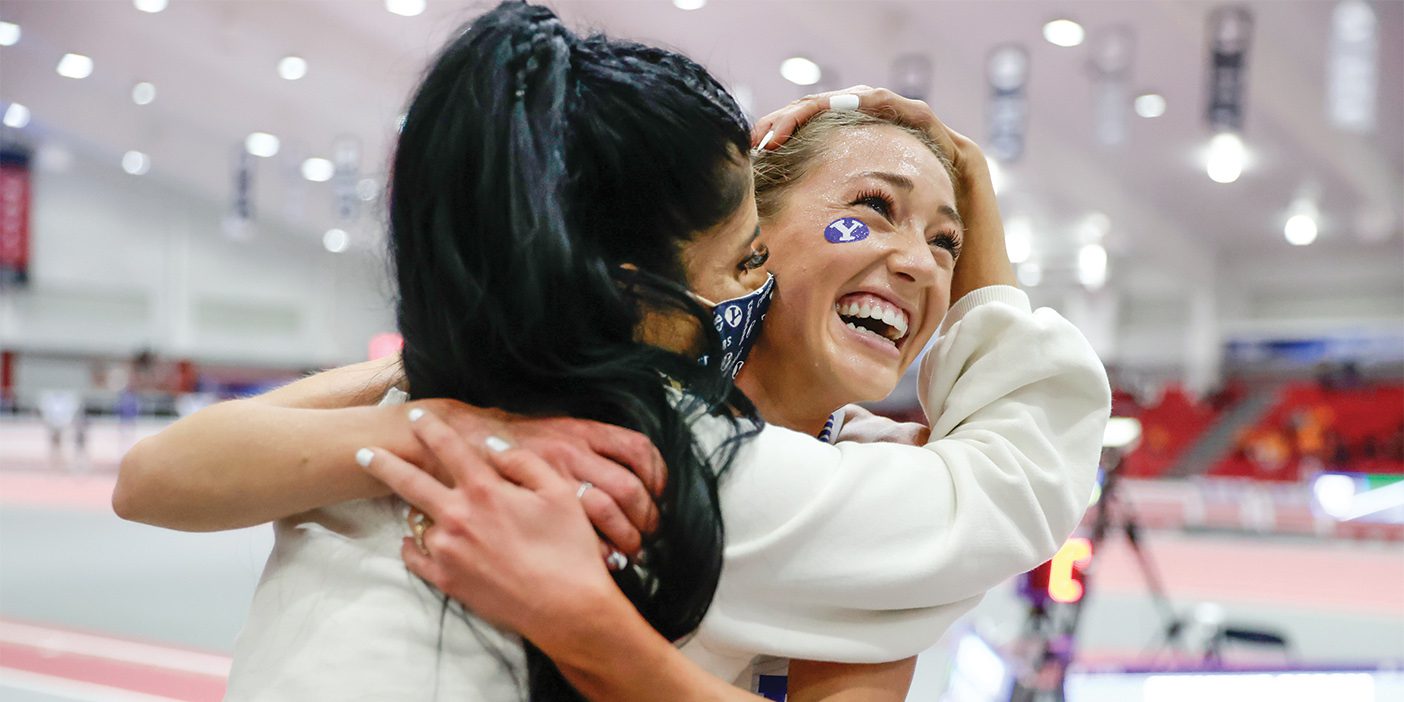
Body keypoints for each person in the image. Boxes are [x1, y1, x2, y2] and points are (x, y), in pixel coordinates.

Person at [115, 6, 1110, 700]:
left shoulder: (466, 394)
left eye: (944, 241)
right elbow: (1017, 483)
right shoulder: (664, 460)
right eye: (864, 214)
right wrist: (982, 220)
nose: (914, 262)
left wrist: (431, 424)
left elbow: (158, 476)